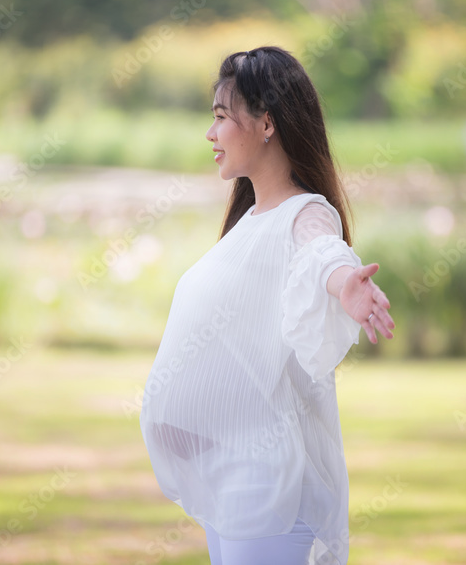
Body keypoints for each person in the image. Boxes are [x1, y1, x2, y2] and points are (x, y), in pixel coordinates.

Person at [139, 46, 395, 565]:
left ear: (267, 124)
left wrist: (346, 282)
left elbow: (322, 254)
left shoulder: (304, 214)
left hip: (266, 487)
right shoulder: (251, 222)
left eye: (220, 117)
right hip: (231, 486)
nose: (210, 134)